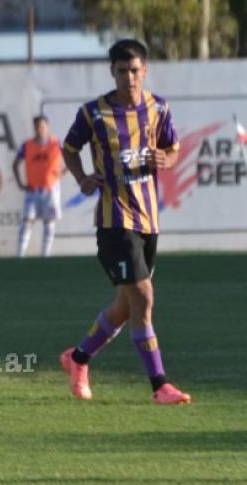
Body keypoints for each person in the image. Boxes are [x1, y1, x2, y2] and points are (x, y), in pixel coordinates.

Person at [59, 39, 191, 405]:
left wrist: (167, 159)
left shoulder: (158, 108)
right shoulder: (94, 113)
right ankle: (159, 386)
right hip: (114, 221)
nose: (129, 77)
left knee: (125, 306)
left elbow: (173, 148)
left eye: (134, 70)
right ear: (112, 72)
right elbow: (69, 149)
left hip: (148, 221)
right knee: (144, 297)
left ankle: (78, 358)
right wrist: (82, 178)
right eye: (121, 71)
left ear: (144, 70)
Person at [12, 115, 64, 257]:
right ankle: (20, 255)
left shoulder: (56, 144)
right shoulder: (27, 145)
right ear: (34, 128)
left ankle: (45, 256)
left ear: (47, 127)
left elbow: (72, 157)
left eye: (42, 126)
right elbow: (15, 164)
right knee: (27, 221)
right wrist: (21, 184)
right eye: (37, 127)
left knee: (49, 223)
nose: (40, 129)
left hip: (51, 189)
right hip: (33, 189)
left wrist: (63, 172)